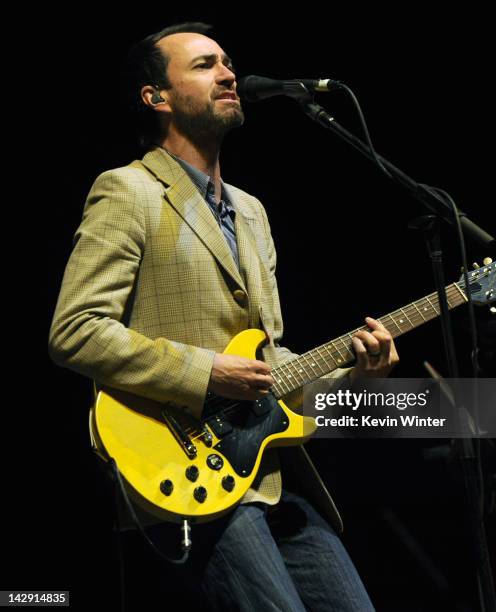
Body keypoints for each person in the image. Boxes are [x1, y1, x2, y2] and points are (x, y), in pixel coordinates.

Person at [49, 22, 399, 611]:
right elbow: (76, 330)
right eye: (205, 65)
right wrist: (207, 372)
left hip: (269, 474)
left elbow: (272, 359)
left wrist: (356, 380)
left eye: (228, 63)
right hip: (185, 471)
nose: (230, 74)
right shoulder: (128, 191)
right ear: (156, 97)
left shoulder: (252, 212)